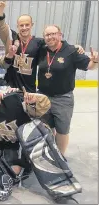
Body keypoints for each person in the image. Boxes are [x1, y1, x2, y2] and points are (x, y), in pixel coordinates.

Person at [0, 82, 52, 200]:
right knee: (11, 171)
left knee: (21, 169)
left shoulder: (13, 99)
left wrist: (34, 99)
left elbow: (45, 105)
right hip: (8, 145)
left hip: (27, 141)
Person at [36, 25, 98, 155]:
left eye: (53, 33)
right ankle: (49, 153)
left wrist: (95, 61)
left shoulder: (71, 51)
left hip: (63, 99)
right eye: (47, 35)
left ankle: (60, 157)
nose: (50, 37)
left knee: (62, 130)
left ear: (60, 35)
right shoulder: (42, 50)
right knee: (46, 127)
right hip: (42, 97)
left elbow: (89, 66)